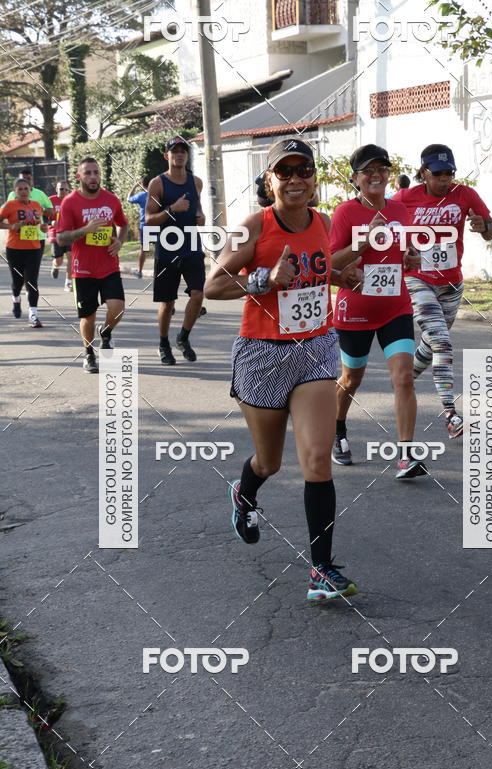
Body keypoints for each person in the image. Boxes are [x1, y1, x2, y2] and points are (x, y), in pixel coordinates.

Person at [204, 138, 362, 601]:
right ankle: (245, 491)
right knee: (269, 461)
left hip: (315, 348)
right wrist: (263, 280)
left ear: (314, 178)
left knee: (316, 459)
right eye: (285, 171)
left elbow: (315, 268)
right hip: (263, 354)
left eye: (304, 170)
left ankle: (321, 569)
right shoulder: (252, 227)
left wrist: (339, 272)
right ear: (270, 179)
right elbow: (213, 286)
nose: (295, 178)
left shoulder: (325, 222)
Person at [330, 144, 424, 479]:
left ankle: (406, 454)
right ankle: (338, 430)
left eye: (381, 169)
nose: (376, 175)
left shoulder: (400, 212)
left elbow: (407, 257)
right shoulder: (345, 214)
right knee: (351, 379)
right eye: (368, 170)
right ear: (355, 178)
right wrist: (359, 248)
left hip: (395, 306)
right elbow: (327, 266)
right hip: (354, 310)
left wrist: (412, 259)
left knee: (403, 377)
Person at [393, 144, 492, 438]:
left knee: (431, 342)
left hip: (451, 284)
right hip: (417, 278)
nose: (444, 179)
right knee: (442, 341)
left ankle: (405, 383)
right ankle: (451, 413)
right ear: (423, 173)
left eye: (449, 173)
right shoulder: (404, 198)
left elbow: (491, 229)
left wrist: (483, 225)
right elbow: (384, 228)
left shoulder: (465, 194)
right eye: (438, 174)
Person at [57, 157, 128, 374]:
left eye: (96, 172)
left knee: (117, 308)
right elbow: (61, 238)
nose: (93, 177)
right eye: (87, 173)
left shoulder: (111, 199)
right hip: (83, 269)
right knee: (87, 316)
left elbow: (122, 224)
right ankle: (88, 354)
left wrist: (120, 241)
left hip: (109, 265)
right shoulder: (70, 202)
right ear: (79, 176)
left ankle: (105, 332)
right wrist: (84, 230)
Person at [145, 137, 206, 365]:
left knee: (198, 295)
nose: (179, 155)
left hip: (191, 246)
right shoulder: (157, 183)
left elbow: (198, 209)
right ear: (167, 156)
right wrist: (172, 209)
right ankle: (163, 343)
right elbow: (150, 220)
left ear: (187, 156)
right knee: (167, 302)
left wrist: (201, 216)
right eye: (175, 151)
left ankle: (183, 337)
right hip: (168, 249)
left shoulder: (195, 182)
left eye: (183, 151)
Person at [0, 177, 46, 326]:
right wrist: (11, 227)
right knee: (17, 282)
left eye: (26, 188)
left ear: (30, 190)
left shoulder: (37, 205)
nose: (23, 191)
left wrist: (43, 227)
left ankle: (33, 315)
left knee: (32, 282)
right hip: (14, 249)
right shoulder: (9, 205)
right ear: (15, 191)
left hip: (34, 249)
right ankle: (16, 299)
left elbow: (38, 224)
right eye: (20, 189)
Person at [7, 168, 54, 292]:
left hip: (37, 236)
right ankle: (21, 292)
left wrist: (37, 209)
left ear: (31, 180)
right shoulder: (12, 195)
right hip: (18, 238)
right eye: (22, 178)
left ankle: (31, 296)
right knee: (19, 275)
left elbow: (50, 210)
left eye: (28, 179)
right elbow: (8, 212)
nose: (25, 181)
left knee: (31, 274)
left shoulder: (40, 194)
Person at [48, 180, 73, 290]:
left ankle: (68, 282)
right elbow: (43, 216)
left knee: (71, 257)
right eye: (61, 189)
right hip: (55, 233)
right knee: (59, 260)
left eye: (66, 189)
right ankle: (55, 266)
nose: (63, 191)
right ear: (56, 190)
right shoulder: (50, 200)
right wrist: (51, 222)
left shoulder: (73, 201)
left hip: (70, 233)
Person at [127, 175, 151, 278]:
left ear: (142, 185)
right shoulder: (158, 194)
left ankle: (140, 271)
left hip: (145, 225)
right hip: (158, 223)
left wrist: (134, 186)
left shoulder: (141, 196)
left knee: (144, 249)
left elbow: (129, 199)